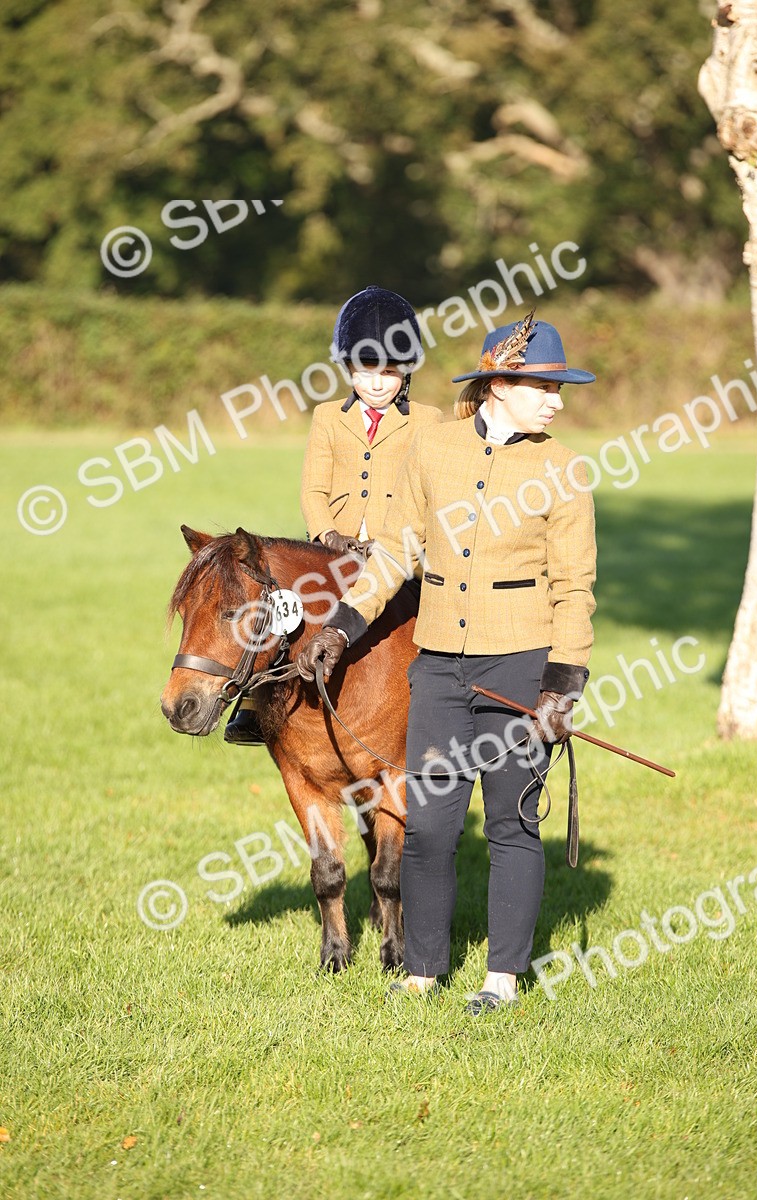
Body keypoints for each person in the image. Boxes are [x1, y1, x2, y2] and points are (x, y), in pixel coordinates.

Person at [295, 312, 597, 1014]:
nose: (556, 400)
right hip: (437, 666)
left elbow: (574, 586)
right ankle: (424, 970)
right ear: (499, 384)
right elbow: (397, 549)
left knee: (511, 824)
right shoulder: (432, 448)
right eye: (543, 386)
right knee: (429, 824)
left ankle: (501, 980)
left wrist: (564, 681)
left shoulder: (562, 467)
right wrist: (341, 626)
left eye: (558, 389)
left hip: (521, 666)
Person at [225, 285, 443, 745]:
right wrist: (326, 533)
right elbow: (313, 487)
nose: (378, 383)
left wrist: (399, 542)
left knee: (434, 613)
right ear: (347, 368)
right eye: (367, 371)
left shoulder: (429, 421)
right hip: (335, 546)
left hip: (401, 552)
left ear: (407, 371)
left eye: (390, 372)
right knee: (280, 607)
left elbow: (432, 491)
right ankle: (251, 708)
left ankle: (436, 701)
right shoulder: (327, 417)